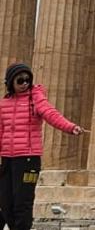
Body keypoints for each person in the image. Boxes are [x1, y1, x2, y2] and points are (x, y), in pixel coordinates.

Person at [0, 62, 86, 230]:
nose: (25, 83)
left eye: (27, 80)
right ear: (11, 82)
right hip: (7, 159)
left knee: (22, 203)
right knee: (5, 204)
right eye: (20, 80)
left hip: (28, 159)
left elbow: (50, 114)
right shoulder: (4, 104)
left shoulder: (36, 98)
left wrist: (70, 127)